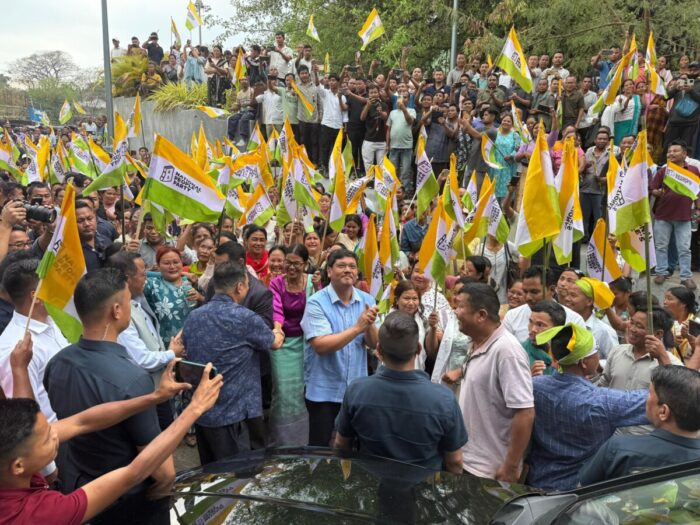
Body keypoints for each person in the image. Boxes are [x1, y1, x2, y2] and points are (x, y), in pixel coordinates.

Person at [0, 341, 222, 525]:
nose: (56, 435)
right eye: (47, 439)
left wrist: (155, 397)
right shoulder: (40, 514)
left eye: (51, 429)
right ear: (18, 466)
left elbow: (81, 422)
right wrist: (194, 409)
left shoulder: (13, 459)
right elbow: (133, 473)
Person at [43, 269, 176, 523]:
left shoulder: (58, 362)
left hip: (80, 489)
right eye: (128, 302)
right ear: (116, 310)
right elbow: (162, 470)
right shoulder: (133, 379)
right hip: (126, 501)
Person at [334, 311, 467, 473]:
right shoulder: (443, 399)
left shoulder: (356, 391)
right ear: (418, 349)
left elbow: (341, 445)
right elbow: (455, 461)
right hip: (423, 485)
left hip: (370, 483)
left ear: (379, 350)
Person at [526, 324, 648, 491]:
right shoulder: (602, 401)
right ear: (584, 362)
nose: (599, 355)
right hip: (582, 491)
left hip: (537, 483)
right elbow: (654, 401)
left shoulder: (535, 386)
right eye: (596, 350)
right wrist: (664, 358)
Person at [182, 262, 281, 463]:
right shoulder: (245, 318)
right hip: (235, 416)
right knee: (237, 475)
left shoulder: (193, 316)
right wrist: (278, 330)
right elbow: (274, 343)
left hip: (202, 413)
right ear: (239, 287)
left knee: (209, 473)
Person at [455, 282, 534, 482]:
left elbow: (525, 412)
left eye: (460, 306)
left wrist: (510, 466)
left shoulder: (507, 351)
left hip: (489, 472)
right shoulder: (476, 341)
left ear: (481, 315)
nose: (456, 312)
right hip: (467, 462)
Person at [300, 248, 379, 446]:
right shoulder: (316, 302)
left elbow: (374, 343)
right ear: (329, 271)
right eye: (341, 266)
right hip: (323, 391)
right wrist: (358, 327)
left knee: (354, 447)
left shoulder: (367, 300)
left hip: (356, 390)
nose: (348, 270)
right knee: (320, 447)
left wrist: (369, 325)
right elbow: (321, 345)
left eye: (352, 266)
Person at [580, 365, 700, 485]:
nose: (645, 399)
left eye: (649, 393)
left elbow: (581, 489)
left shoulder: (618, 449)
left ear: (663, 412)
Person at [268, 244, 313, 446]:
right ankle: (282, 441)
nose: (292, 267)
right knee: (283, 391)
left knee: (303, 391)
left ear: (305, 264)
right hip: (282, 343)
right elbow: (276, 309)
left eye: (297, 264)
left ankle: (302, 439)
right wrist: (277, 330)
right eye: (288, 262)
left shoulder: (312, 282)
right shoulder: (277, 283)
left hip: (307, 344)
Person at [651, 140, 700, 289]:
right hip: (663, 215)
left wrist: (698, 209)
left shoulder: (693, 170)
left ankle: (686, 277)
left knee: (684, 248)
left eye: (675, 151)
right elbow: (652, 188)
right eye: (669, 151)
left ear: (684, 154)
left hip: (684, 216)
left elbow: (697, 192)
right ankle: (661, 272)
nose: (671, 153)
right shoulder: (663, 170)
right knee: (661, 246)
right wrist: (657, 192)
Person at [503, 266, 585, 342]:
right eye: (525, 291)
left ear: (552, 290)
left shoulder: (574, 320)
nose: (528, 297)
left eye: (534, 292)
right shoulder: (512, 316)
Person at [143, 246, 200, 348]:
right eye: (166, 263)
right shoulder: (152, 285)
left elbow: (209, 304)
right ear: (158, 265)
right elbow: (139, 273)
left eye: (176, 262)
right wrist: (182, 273)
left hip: (193, 341)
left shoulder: (191, 282)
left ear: (182, 263)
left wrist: (200, 297)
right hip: (166, 344)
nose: (172, 266)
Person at [561, 278, 619, 359]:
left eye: (573, 295)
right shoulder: (562, 323)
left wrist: (594, 363)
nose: (567, 299)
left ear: (589, 301)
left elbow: (615, 360)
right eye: (567, 294)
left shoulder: (604, 331)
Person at [522, 300, 566, 376]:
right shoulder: (520, 353)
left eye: (540, 325)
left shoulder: (568, 354)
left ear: (557, 329)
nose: (533, 329)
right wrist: (529, 377)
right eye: (530, 322)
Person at [489, 114, 520, 199]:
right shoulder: (495, 132)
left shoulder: (515, 135)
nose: (506, 122)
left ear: (512, 124)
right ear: (501, 121)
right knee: (493, 189)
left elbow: (518, 149)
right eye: (504, 120)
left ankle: (505, 206)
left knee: (506, 190)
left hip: (508, 166)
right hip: (495, 165)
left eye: (508, 121)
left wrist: (511, 155)